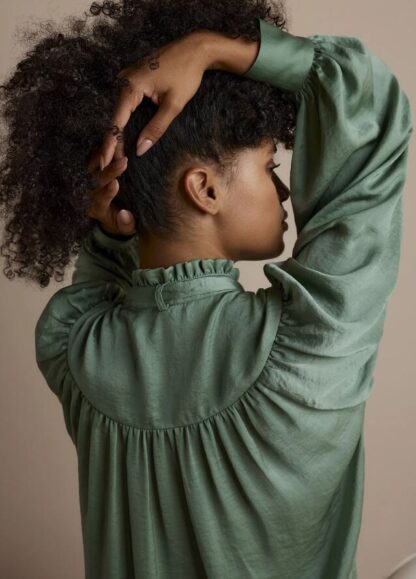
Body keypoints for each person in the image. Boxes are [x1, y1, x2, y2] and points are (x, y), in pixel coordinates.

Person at [1, 0, 412, 577]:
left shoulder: (74, 347)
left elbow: (97, 285)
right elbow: (373, 115)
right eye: (269, 166)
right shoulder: (312, 337)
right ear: (205, 189)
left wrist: (116, 231)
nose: (283, 192)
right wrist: (215, 48)